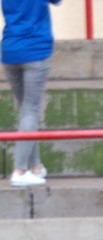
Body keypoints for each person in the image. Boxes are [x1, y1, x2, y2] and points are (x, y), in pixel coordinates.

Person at [2, 0, 60, 186]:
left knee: (26, 110)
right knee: (30, 111)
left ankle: (35, 167)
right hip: (36, 50)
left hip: (10, 50)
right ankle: (19, 171)